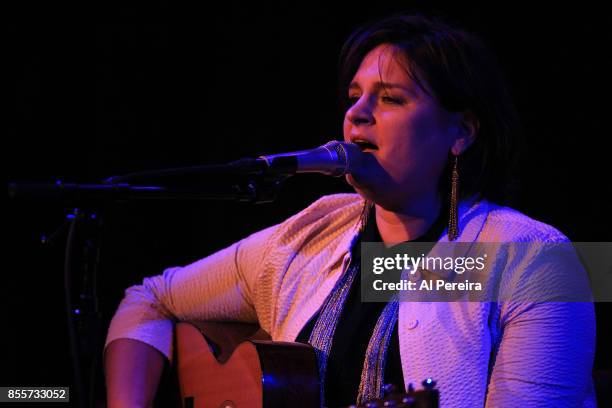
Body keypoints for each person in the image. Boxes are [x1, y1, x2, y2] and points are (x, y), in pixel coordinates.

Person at [104, 14, 596, 407]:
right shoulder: (308, 236)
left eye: (390, 98)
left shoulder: (534, 260)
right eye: (355, 96)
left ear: (461, 132)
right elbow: (148, 299)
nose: (357, 113)